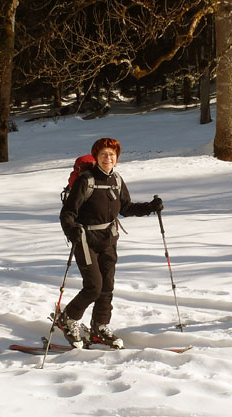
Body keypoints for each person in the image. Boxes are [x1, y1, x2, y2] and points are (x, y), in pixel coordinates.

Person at [57, 137, 163, 348]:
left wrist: (150, 207)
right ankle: (67, 319)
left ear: (117, 159)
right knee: (94, 287)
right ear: (96, 157)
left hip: (108, 238)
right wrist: (72, 230)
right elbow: (67, 213)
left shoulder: (116, 180)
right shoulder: (85, 180)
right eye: (104, 154)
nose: (108, 158)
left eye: (112, 155)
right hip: (86, 238)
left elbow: (125, 208)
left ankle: (100, 328)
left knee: (107, 287)